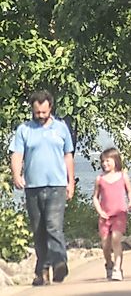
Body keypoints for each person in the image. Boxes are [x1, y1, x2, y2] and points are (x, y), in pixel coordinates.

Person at [10, 91, 75, 286]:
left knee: (53, 225)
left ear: (50, 108)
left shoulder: (61, 128)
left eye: (44, 112)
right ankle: (43, 271)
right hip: (33, 187)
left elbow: (68, 155)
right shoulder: (24, 129)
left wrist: (70, 181)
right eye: (37, 112)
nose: (40, 115)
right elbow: (16, 154)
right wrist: (16, 175)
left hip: (57, 185)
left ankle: (60, 262)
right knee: (39, 230)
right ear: (32, 110)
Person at [93, 148, 131, 281]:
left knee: (116, 240)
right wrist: (100, 211)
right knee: (105, 244)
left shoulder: (123, 176)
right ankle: (109, 264)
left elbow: (130, 192)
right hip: (105, 216)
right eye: (103, 161)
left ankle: (118, 268)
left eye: (108, 161)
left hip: (119, 214)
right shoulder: (99, 179)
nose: (105, 164)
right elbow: (95, 197)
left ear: (115, 160)